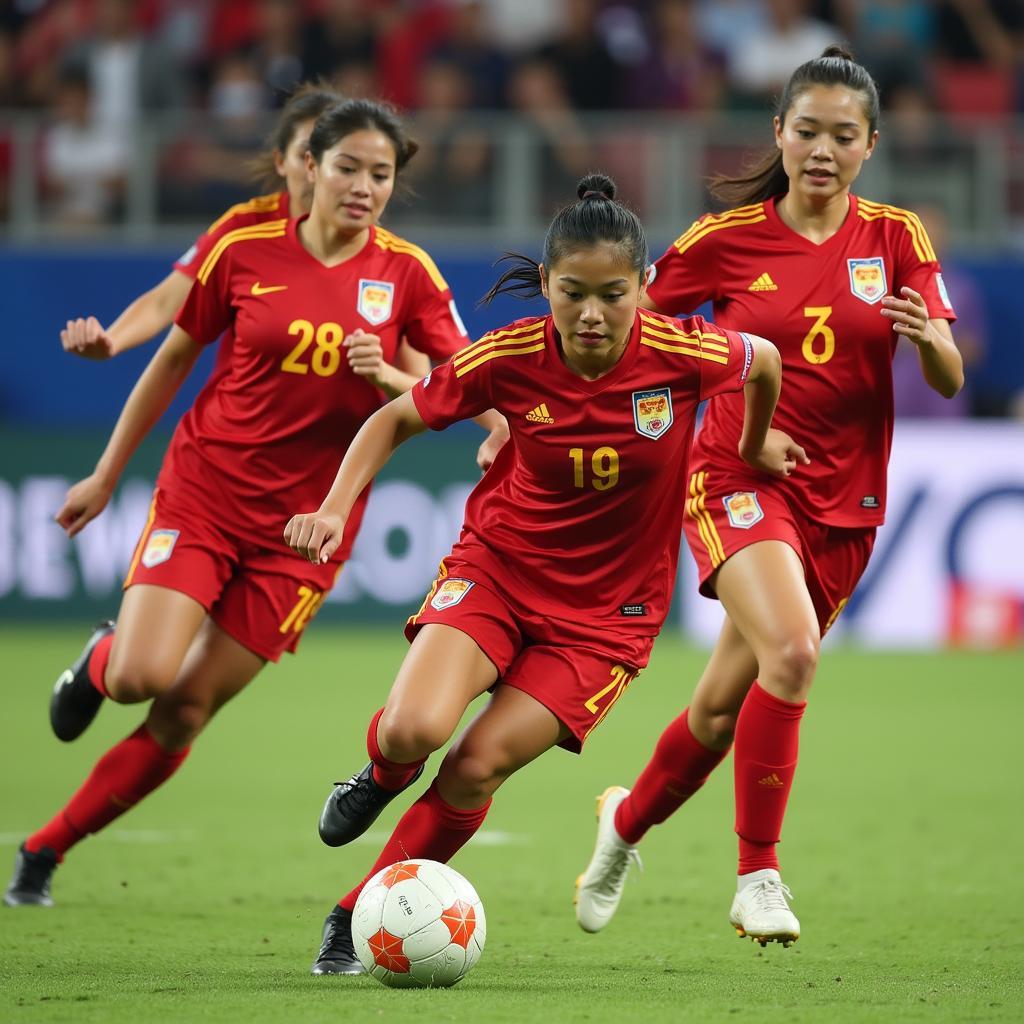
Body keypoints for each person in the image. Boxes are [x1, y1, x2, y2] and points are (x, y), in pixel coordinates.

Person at [283, 171, 789, 975]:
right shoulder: (510, 356)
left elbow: (763, 362)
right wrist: (338, 507)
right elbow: (394, 416)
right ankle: (382, 773)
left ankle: (355, 914)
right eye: (573, 293)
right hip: (500, 571)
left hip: (605, 619)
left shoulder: (684, 351)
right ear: (546, 285)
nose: (592, 313)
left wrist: (755, 443)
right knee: (414, 729)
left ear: (644, 287)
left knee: (477, 764)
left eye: (614, 294)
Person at [4, 98, 503, 909]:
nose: (362, 187)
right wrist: (104, 474)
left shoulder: (408, 274)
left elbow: (462, 389)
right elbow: (171, 361)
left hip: (305, 534)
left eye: (381, 175)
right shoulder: (244, 245)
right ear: (310, 166)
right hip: (206, 494)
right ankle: (103, 656)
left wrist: (422, 394)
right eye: (347, 168)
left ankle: (44, 849)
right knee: (140, 677)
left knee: (185, 709)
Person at [574, 46, 963, 948]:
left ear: (869, 145)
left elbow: (943, 375)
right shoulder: (722, 239)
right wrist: (742, 420)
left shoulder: (897, 237)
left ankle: (623, 825)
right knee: (792, 654)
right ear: (779, 134)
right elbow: (643, 340)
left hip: (846, 503)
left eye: (844, 135)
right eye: (808, 130)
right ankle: (758, 875)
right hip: (736, 475)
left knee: (721, 706)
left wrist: (926, 339)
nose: (823, 149)